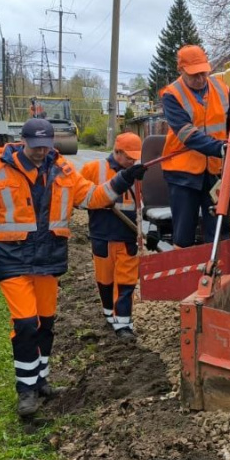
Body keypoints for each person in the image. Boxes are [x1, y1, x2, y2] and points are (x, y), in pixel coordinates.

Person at [0, 118, 148, 419]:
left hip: (48, 260)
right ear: (23, 141)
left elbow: (93, 197)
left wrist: (125, 177)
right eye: (35, 146)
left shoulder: (62, 171)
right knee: (25, 323)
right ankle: (25, 391)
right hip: (12, 260)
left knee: (46, 324)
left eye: (45, 146)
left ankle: (41, 381)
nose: (40, 152)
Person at [159, 45, 230, 247]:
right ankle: (184, 272)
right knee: (184, 233)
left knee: (220, 230)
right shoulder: (171, 95)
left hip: (214, 172)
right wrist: (220, 148)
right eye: (194, 75)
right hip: (182, 172)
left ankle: (220, 272)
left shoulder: (223, 90)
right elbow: (186, 134)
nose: (200, 78)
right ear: (181, 70)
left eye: (203, 72)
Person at [80, 132, 142, 339]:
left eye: (136, 157)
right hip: (102, 234)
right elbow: (78, 198)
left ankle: (123, 324)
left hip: (128, 236)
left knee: (126, 281)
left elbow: (144, 206)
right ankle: (109, 314)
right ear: (117, 152)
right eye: (129, 156)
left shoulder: (137, 174)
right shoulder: (93, 169)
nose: (133, 160)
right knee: (104, 279)